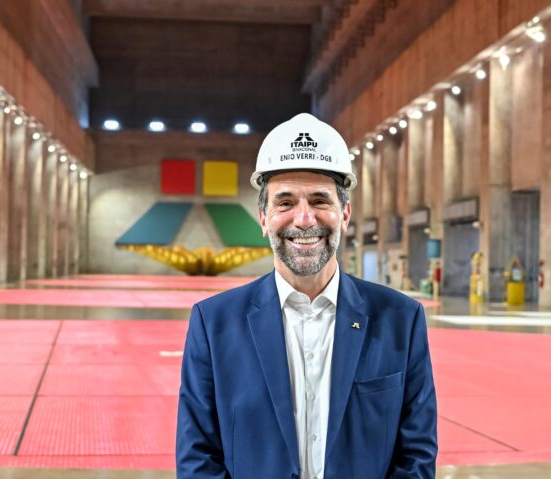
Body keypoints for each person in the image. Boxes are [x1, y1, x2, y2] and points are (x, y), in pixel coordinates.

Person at [176, 113, 437, 479]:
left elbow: (416, 456)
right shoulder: (213, 323)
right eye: (285, 203)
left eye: (319, 200)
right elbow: (197, 456)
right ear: (264, 218)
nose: (304, 219)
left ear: (344, 213)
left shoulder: (400, 320)